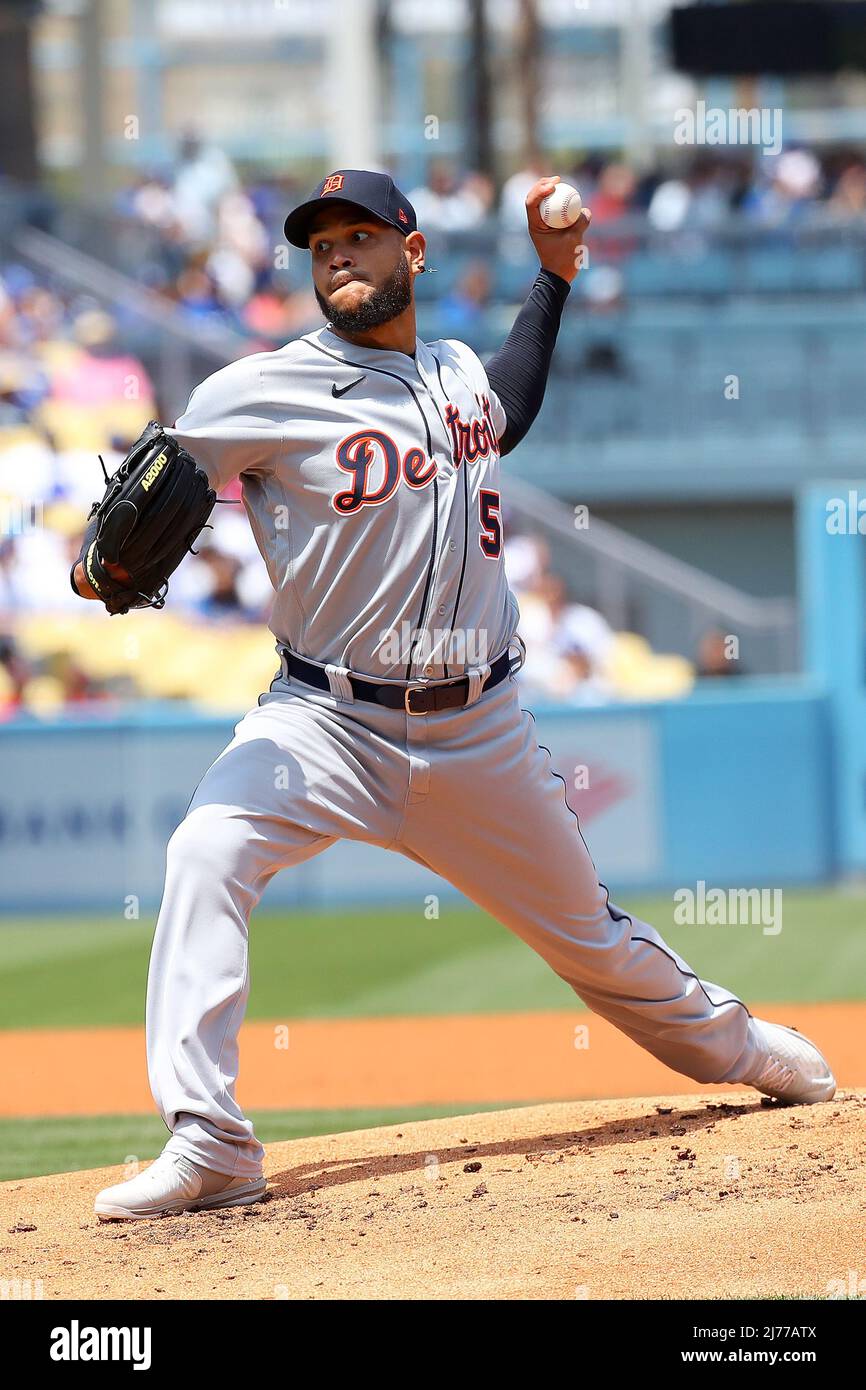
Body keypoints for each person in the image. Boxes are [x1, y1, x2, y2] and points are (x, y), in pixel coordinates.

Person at [73, 168, 834, 1220]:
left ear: (412, 253)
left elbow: (510, 403)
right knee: (206, 849)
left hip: (477, 730)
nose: (336, 254)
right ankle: (210, 1142)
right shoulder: (256, 389)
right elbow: (148, 488)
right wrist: (88, 569)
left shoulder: (457, 372)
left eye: (359, 235)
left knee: (596, 949)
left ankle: (747, 1048)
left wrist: (552, 280)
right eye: (319, 243)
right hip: (322, 719)